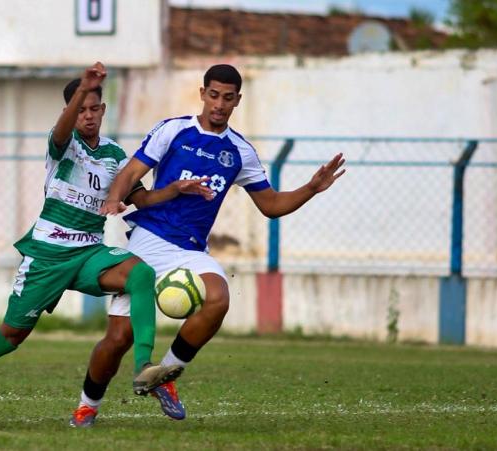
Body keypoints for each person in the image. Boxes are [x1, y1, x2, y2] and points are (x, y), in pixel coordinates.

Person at [0, 62, 210, 422]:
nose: (87, 116)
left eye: (93, 109)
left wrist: (174, 190)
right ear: (70, 112)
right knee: (9, 337)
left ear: (103, 110)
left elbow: (141, 199)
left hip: (89, 252)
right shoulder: (63, 144)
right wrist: (79, 92)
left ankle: (145, 367)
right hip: (48, 254)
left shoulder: (115, 156)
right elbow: (60, 131)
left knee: (140, 274)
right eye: (80, 109)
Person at [70, 64, 346, 425]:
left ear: (237, 100)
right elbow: (131, 173)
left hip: (190, 250)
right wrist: (115, 199)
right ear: (202, 93)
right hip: (147, 241)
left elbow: (271, 205)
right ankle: (87, 406)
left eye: (227, 98)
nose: (219, 104)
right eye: (213, 95)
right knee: (118, 338)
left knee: (218, 297)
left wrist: (310, 188)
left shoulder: (239, 151)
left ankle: (164, 376)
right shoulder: (174, 130)